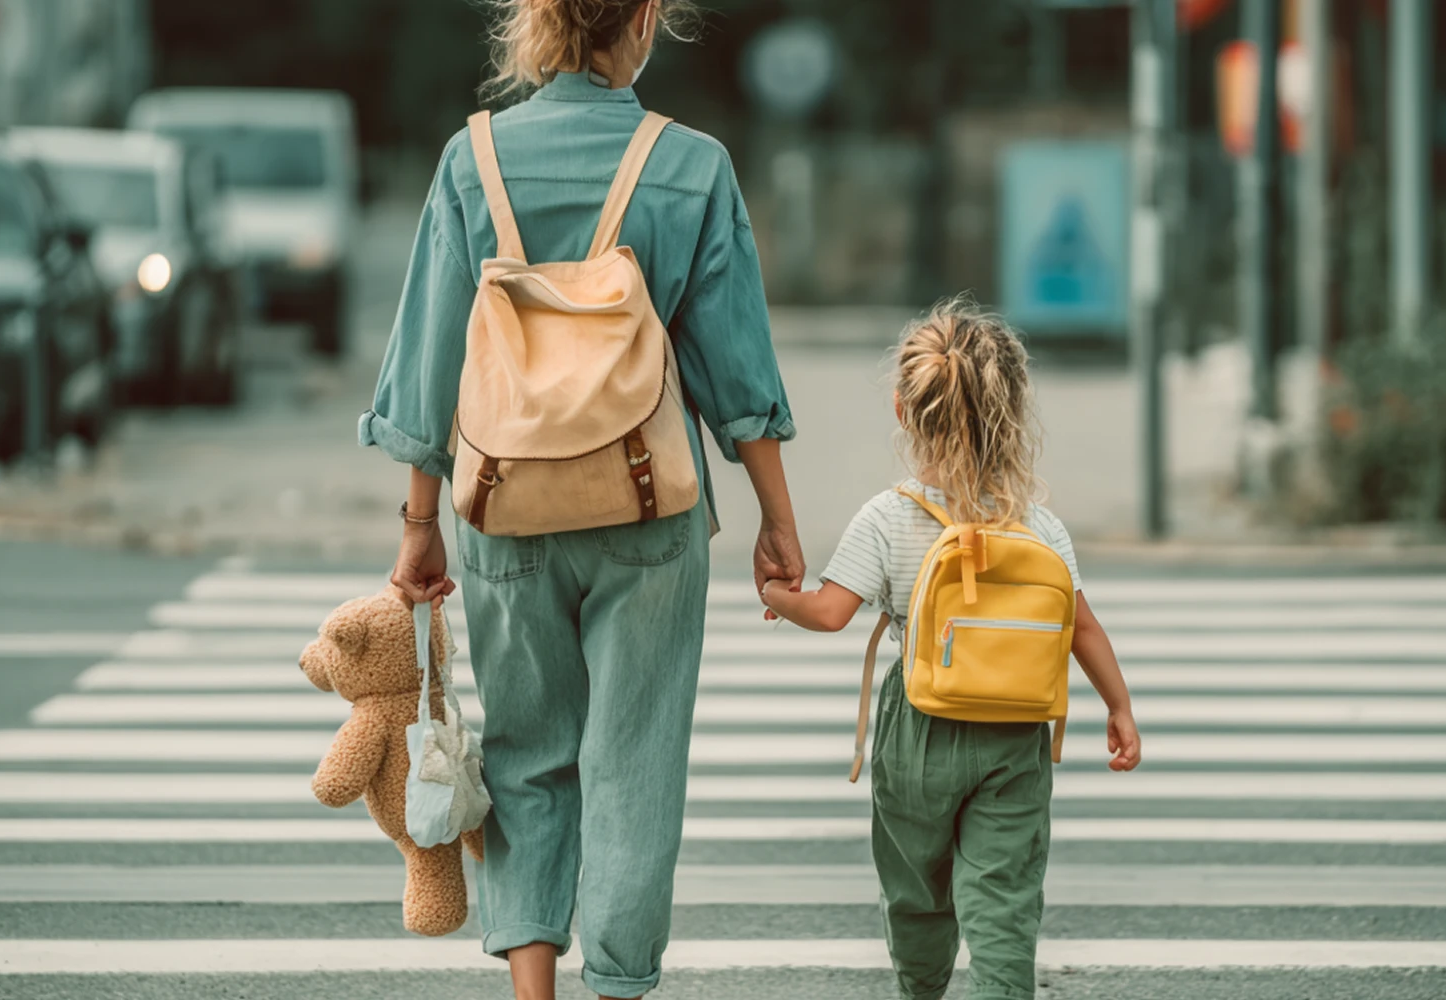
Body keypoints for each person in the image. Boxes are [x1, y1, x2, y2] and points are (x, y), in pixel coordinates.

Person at [364, 1, 801, 996]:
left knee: (523, 746)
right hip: (647, 509)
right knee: (635, 758)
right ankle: (618, 980)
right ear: (645, 19)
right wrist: (776, 519)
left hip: (502, 508)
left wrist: (419, 526)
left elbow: (427, 367)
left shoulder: (470, 160)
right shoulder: (689, 165)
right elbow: (738, 372)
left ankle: (531, 985)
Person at [758, 299, 1142, 1000]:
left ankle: (921, 988)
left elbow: (831, 612)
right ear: (1013, 410)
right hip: (1015, 730)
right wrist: (1119, 705)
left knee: (916, 889)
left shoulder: (887, 517)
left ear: (904, 412)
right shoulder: (1037, 524)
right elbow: (1081, 625)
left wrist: (779, 595)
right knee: (1002, 897)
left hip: (919, 728)